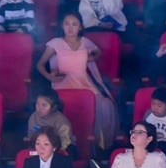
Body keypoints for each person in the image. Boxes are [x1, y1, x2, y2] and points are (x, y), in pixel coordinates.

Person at [37, 10, 117, 150]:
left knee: (104, 105)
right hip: (62, 84)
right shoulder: (55, 43)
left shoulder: (85, 42)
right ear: (62, 26)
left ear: (80, 27)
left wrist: (89, 58)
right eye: (67, 24)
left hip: (83, 83)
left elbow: (98, 52)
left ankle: (93, 146)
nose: (70, 28)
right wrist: (49, 76)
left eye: (74, 24)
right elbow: (40, 64)